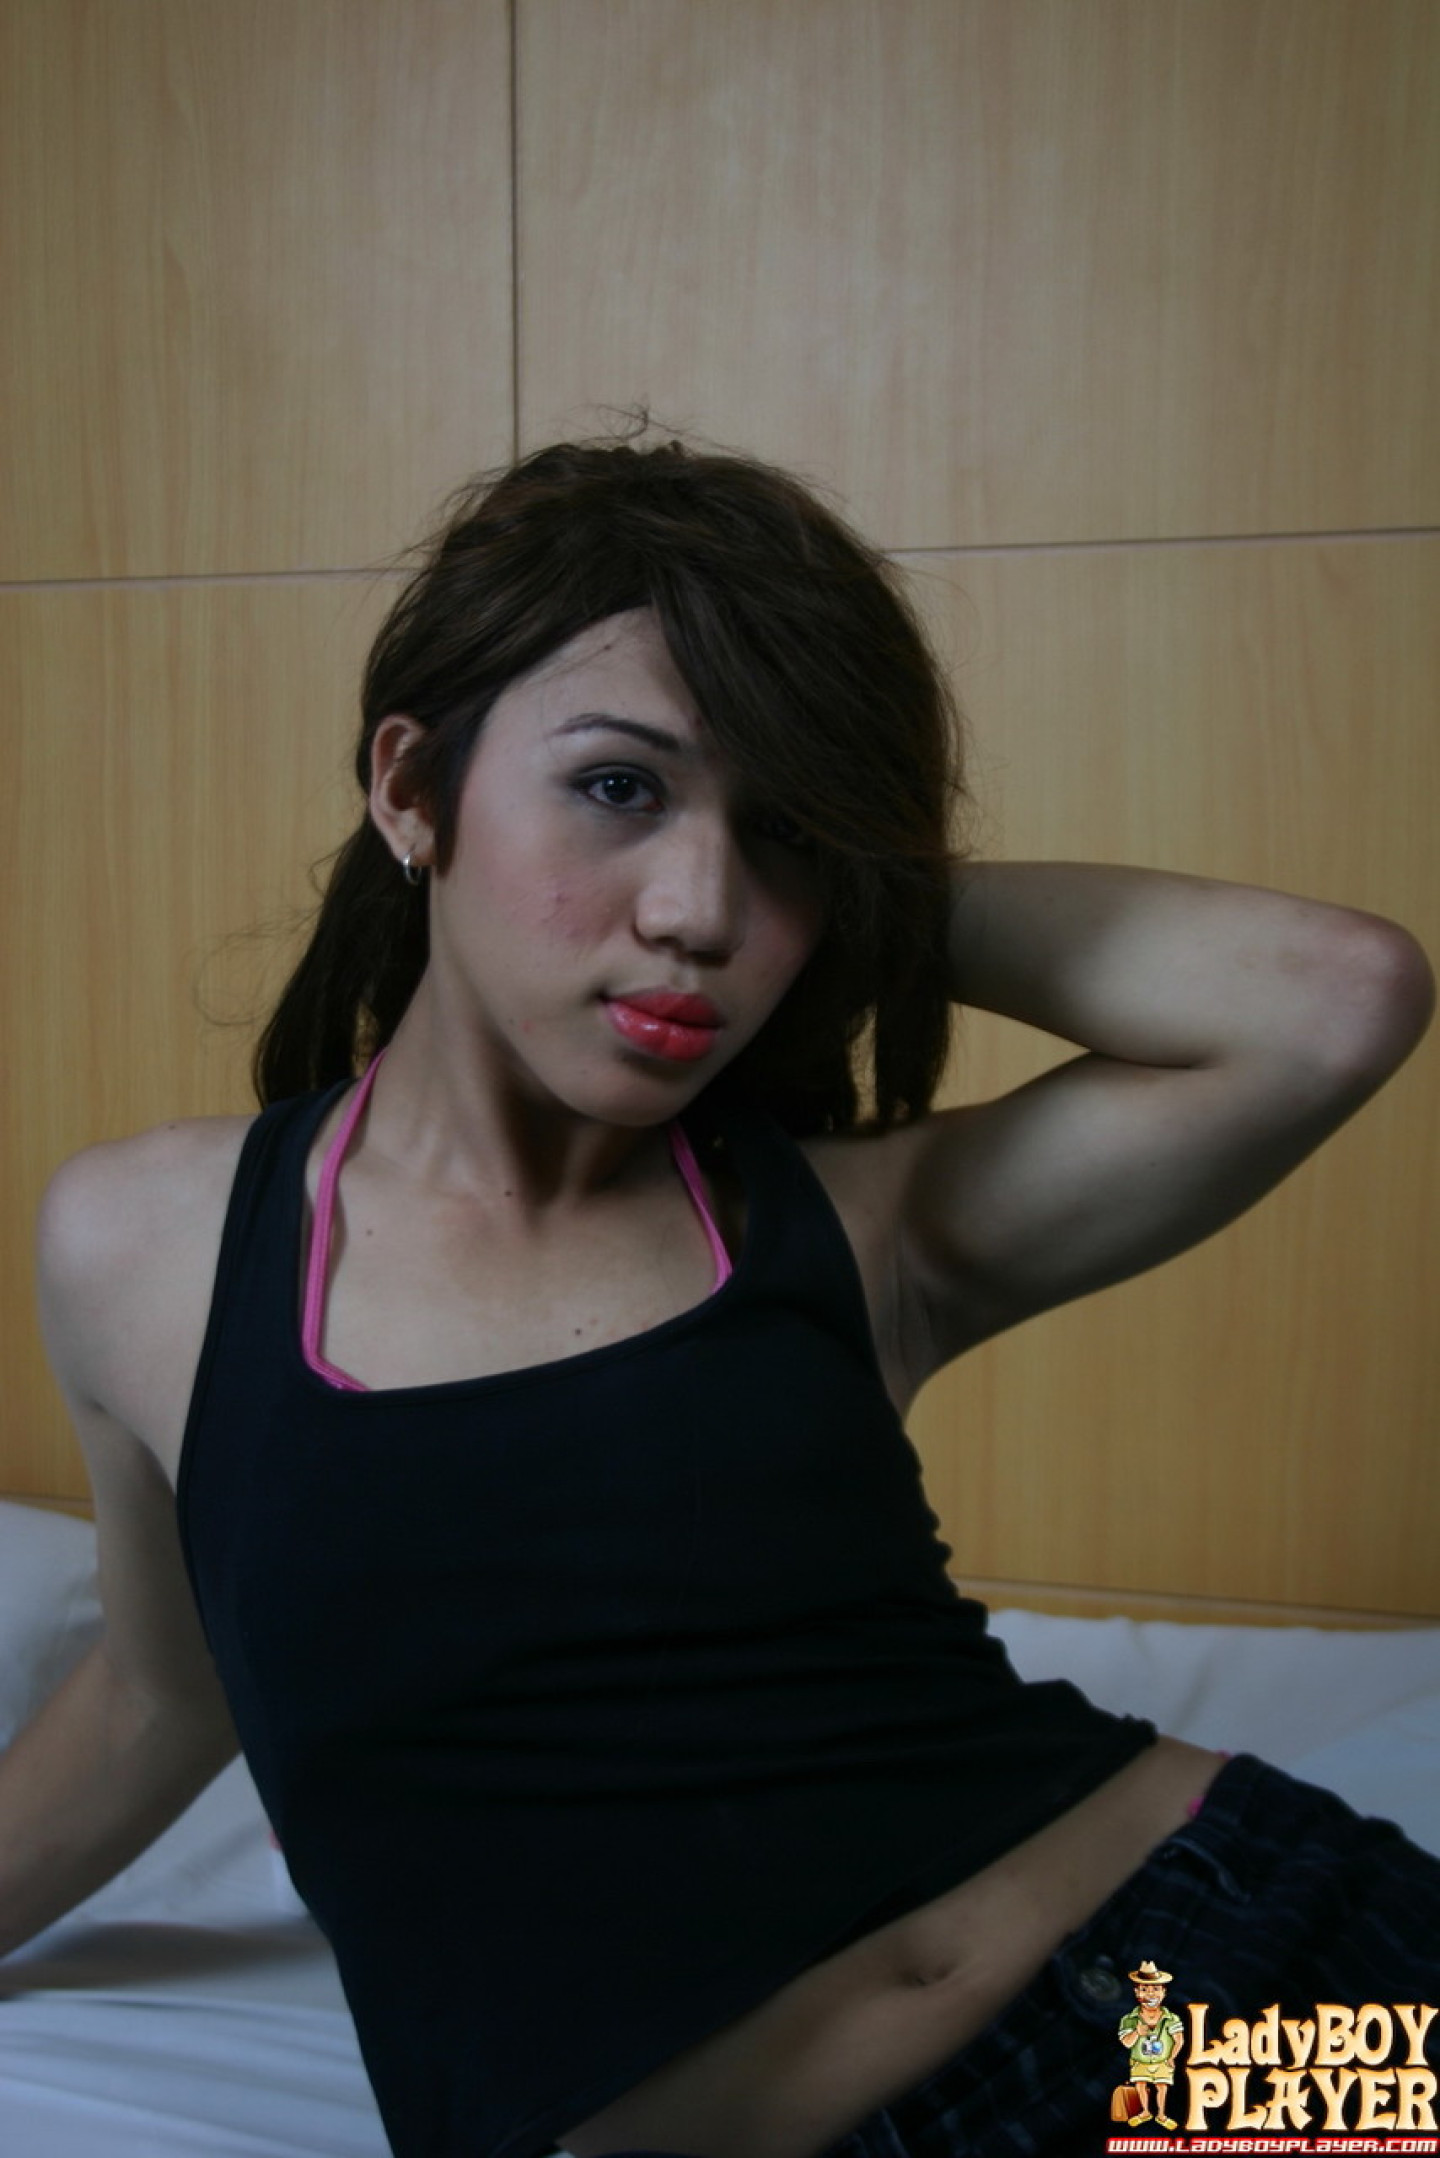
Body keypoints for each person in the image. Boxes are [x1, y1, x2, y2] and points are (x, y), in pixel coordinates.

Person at [2, 431, 1435, 2158]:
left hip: (1226, 1984)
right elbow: (166, 1692)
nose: (701, 912)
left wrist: (868, 886)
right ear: (412, 787)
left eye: (784, 834)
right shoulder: (152, 1246)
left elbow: (1335, 998)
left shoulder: (850, 1223)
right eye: (620, 786)